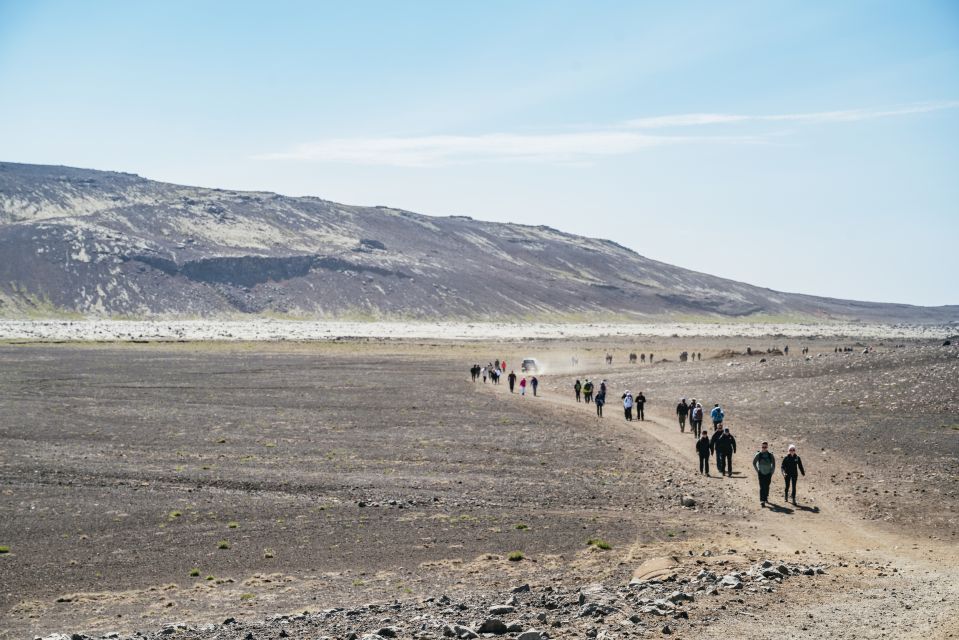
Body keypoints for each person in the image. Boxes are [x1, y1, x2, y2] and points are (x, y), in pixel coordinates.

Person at [752, 441, 776, 506]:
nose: (764, 448)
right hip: (761, 473)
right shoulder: (758, 455)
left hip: (768, 473)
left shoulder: (770, 455)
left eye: (765, 447)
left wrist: (772, 472)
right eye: (763, 447)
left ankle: (766, 497)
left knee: (767, 486)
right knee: (762, 486)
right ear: (761, 447)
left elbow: (774, 464)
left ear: (767, 447)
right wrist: (757, 471)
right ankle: (762, 501)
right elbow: (754, 463)